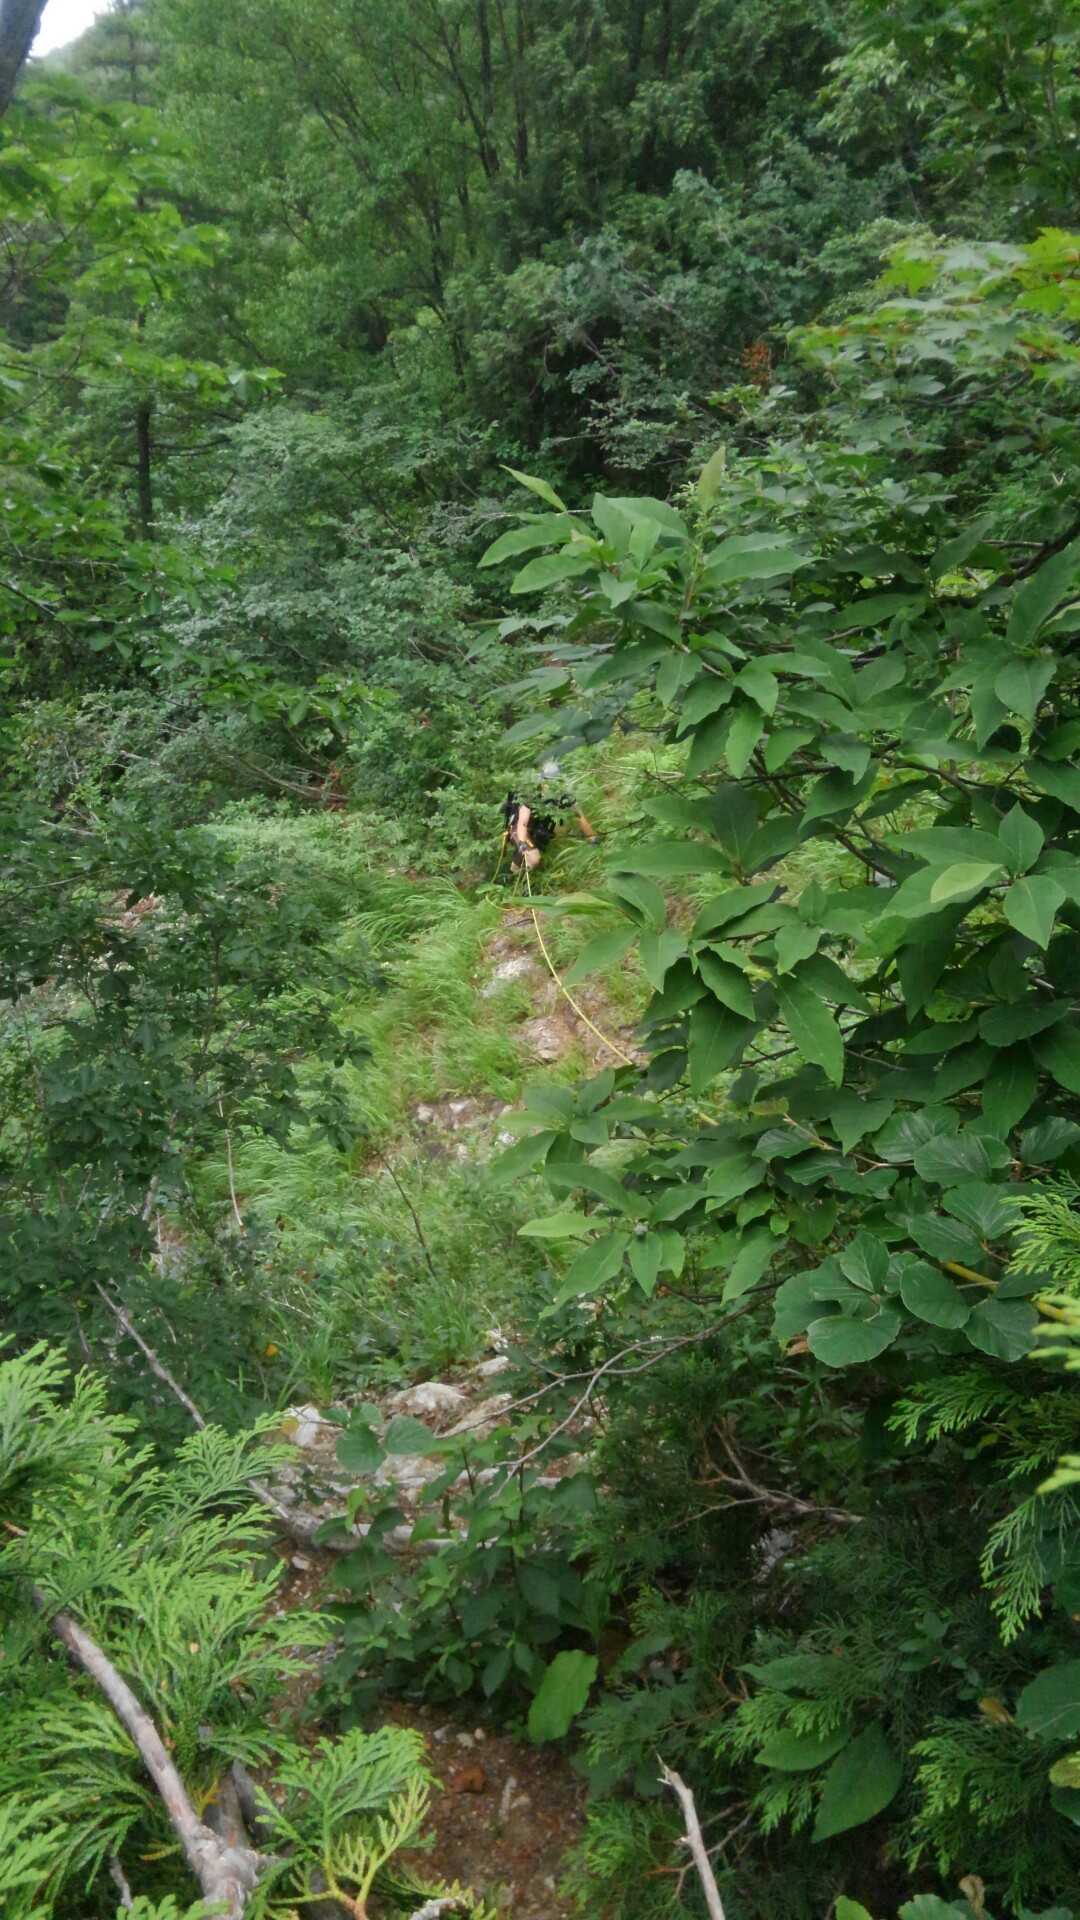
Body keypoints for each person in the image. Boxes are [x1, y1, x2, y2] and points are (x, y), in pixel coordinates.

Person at [502, 787, 598, 877]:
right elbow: (522, 824)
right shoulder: (531, 794)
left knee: (533, 859)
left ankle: (514, 875)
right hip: (519, 829)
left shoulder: (564, 795)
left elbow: (579, 817)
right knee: (533, 858)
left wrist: (593, 839)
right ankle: (515, 876)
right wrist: (522, 844)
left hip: (537, 829)